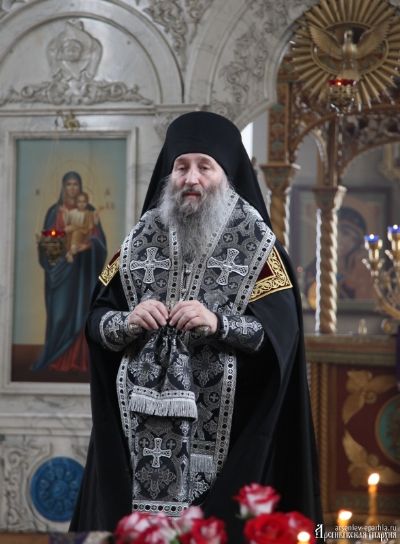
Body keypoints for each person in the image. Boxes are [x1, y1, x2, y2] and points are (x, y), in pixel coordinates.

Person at [70, 112, 322, 539]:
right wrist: (127, 321)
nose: (191, 178)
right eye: (181, 166)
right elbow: (96, 320)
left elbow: (280, 336)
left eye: (205, 166)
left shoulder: (259, 247)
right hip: (138, 443)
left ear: (226, 175)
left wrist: (219, 323)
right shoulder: (139, 239)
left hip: (232, 443)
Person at [33, 171, 107, 373]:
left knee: (82, 315)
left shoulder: (90, 211)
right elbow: (48, 242)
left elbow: (100, 242)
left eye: (75, 184)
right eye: (69, 184)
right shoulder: (54, 212)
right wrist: (48, 243)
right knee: (59, 316)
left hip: (83, 275)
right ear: (63, 187)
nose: (72, 188)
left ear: (80, 187)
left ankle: (79, 361)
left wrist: (86, 245)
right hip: (60, 273)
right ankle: (54, 359)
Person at [305, 206, 374, 308]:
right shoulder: (314, 269)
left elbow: (364, 304)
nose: (348, 242)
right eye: (345, 233)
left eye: (354, 240)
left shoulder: (358, 270)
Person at [65, 191, 97, 262]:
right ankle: (70, 251)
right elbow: (67, 225)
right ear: (76, 202)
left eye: (84, 202)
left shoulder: (89, 214)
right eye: (79, 202)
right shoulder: (71, 213)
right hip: (71, 235)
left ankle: (71, 252)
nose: (81, 204)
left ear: (87, 202)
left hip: (84, 235)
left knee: (77, 232)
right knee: (74, 232)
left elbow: (90, 228)